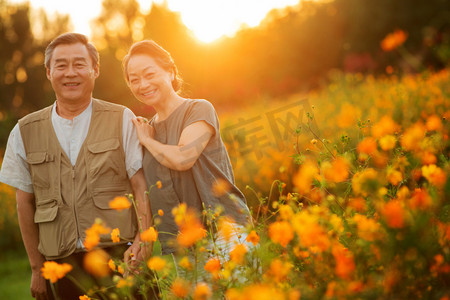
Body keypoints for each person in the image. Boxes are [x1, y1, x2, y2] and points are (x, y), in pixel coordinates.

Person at [0, 33, 153, 300]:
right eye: (61, 65)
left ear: (95, 70)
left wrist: (143, 243)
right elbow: (23, 203)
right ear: (49, 72)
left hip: (120, 255)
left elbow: (140, 186)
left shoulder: (121, 118)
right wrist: (37, 268)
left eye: (79, 64)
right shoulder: (24, 131)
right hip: (61, 266)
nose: (70, 73)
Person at [121, 40, 252, 263]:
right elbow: (149, 192)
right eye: (134, 80)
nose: (143, 84)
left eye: (149, 74)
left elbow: (183, 158)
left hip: (224, 232)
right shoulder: (148, 128)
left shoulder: (198, 109)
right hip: (183, 245)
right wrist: (141, 239)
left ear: (171, 72)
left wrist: (147, 141)